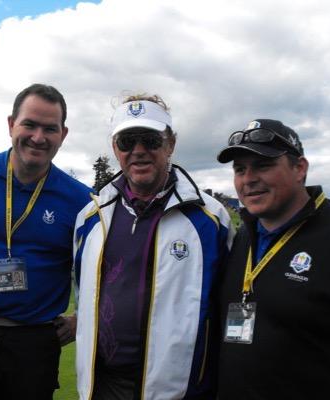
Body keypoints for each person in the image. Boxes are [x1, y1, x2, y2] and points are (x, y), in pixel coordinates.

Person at [73, 94, 233, 399]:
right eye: (127, 141)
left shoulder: (212, 219)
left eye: (150, 140)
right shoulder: (90, 218)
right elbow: (83, 294)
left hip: (178, 390)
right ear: (114, 148)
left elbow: (228, 308)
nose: (139, 151)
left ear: (170, 144)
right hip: (103, 384)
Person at [0, 83, 92, 400]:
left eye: (50, 128)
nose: (38, 137)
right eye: (30, 124)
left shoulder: (80, 199)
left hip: (32, 343)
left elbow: (99, 275)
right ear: (11, 124)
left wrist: (81, 320)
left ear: (63, 135)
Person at [216, 119, 330, 399]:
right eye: (240, 169)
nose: (248, 179)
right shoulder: (243, 236)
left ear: (299, 168)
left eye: (263, 165)